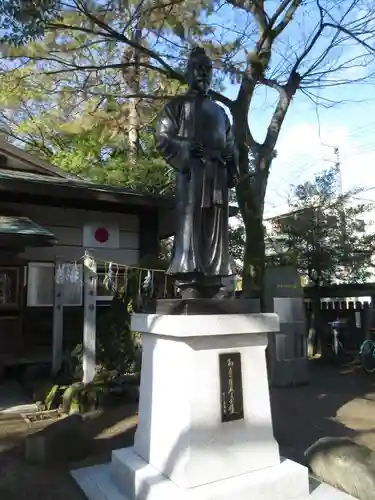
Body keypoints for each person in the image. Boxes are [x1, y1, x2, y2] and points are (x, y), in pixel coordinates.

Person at [155, 46, 239, 298]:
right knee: (192, 222)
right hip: (193, 174)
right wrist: (187, 147)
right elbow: (162, 137)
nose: (203, 75)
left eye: (207, 70)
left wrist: (230, 159)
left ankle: (214, 276)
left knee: (216, 225)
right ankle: (189, 278)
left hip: (218, 176)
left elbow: (231, 143)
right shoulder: (177, 106)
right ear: (188, 73)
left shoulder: (221, 112)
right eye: (198, 69)